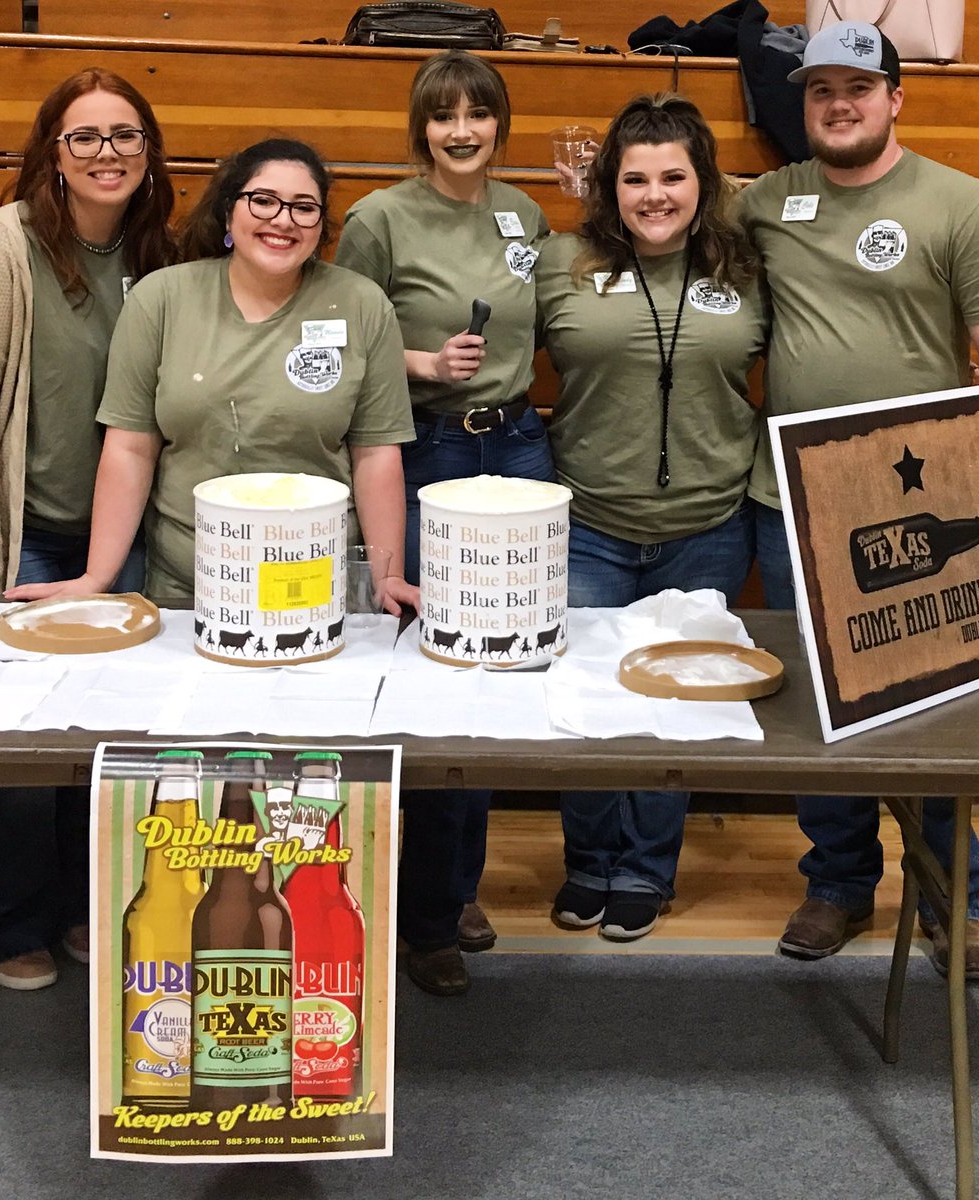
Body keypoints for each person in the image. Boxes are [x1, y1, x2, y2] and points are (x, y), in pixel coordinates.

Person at [740, 22, 979, 980]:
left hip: (918, 510)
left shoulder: (959, 200)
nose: (838, 103)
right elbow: (656, 225)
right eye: (820, 88)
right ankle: (837, 883)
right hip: (792, 499)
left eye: (857, 87)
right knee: (819, 712)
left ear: (894, 97)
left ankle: (956, 898)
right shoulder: (765, 202)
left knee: (930, 710)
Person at [0, 67, 176, 988]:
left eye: (125, 135)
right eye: (86, 137)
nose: (107, 153)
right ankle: (1, 924)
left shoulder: (162, 253)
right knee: (20, 745)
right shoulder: (3, 247)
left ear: (148, 153)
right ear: (53, 153)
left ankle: (80, 906)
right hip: (26, 533)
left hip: (128, 536)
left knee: (108, 739)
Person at [335, 51, 555, 995]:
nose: (461, 130)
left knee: (500, 669)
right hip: (422, 450)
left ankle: (457, 887)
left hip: (515, 449)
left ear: (502, 123)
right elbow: (341, 324)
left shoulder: (526, 215)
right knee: (430, 668)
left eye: (478, 114)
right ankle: (420, 913)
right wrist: (422, 363)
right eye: (442, 116)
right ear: (419, 128)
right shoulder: (378, 218)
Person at [7, 137, 418, 612]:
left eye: (304, 208)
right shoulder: (161, 299)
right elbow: (130, 448)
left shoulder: (363, 305)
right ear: (228, 213)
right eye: (262, 201)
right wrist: (97, 576)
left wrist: (386, 578)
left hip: (320, 583)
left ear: (319, 226)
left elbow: (377, 454)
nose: (283, 220)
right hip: (188, 588)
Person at [536, 93, 766, 941]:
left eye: (675, 175)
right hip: (589, 523)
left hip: (707, 525)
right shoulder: (561, 260)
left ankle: (645, 869)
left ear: (705, 182)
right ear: (609, 186)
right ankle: (589, 863)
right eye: (635, 178)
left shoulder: (744, 267)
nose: (656, 195)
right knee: (590, 697)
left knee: (678, 704)